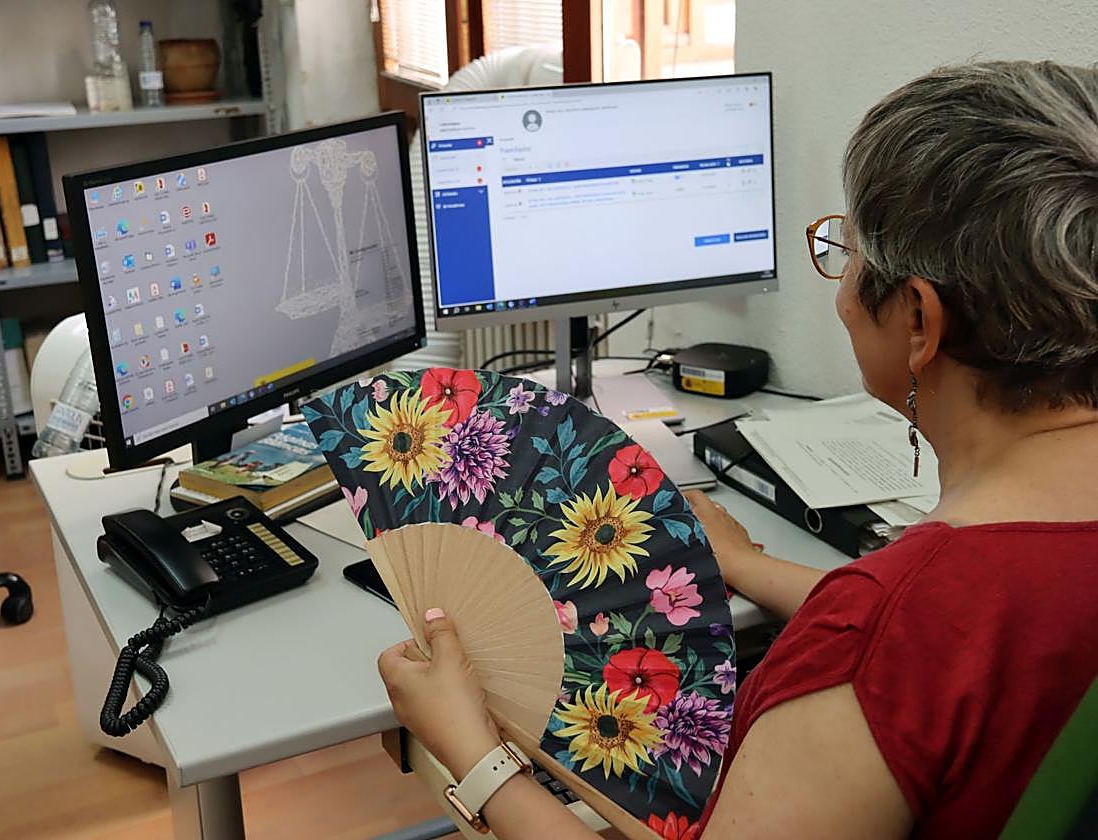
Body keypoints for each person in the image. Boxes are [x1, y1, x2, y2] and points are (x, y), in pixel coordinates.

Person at [378, 60, 1098, 838]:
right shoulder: (927, 612)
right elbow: (954, 634)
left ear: (919, 321)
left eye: (848, 252)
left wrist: (471, 751)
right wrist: (752, 568)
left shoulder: (882, 635)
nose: (842, 284)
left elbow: (911, 640)